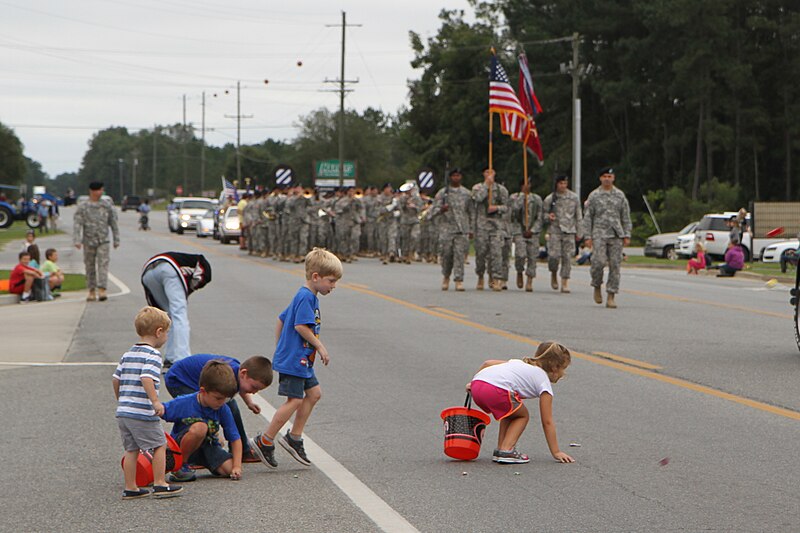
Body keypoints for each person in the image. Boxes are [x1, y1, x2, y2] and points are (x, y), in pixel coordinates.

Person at [249, 248, 343, 468]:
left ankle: (294, 437)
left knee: (314, 393)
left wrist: (281, 345)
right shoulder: (305, 297)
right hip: (296, 359)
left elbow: (281, 319)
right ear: (316, 277)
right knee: (295, 400)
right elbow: (300, 326)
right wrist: (319, 346)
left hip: (300, 358)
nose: (333, 286)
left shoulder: (308, 296)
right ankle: (265, 440)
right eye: (331, 281)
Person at [113, 306, 183, 499]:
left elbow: (116, 379)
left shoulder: (128, 354)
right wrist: (155, 402)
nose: (167, 336)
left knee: (131, 449)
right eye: (167, 332)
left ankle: (131, 487)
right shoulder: (153, 355)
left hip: (124, 411)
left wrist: (122, 399)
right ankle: (160, 483)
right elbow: (146, 377)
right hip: (142, 412)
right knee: (159, 444)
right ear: (158, 332)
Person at [164, 353, 273, 477]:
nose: (254, 392)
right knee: (199, 413)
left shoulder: (236, 375)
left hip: (197, 381)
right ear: (243, 373)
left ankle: (212, 450)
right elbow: (162, 411)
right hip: (179, 379)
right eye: (254, 387)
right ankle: (185, 458)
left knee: (226, 407)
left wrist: (249, 402)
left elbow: (240, 387)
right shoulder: (227, 376)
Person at [467, 341, 574, 464]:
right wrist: (556, 452)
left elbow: (488, 363)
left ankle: (501, 449)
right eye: (563, 369)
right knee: (522, 416)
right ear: (555, 368)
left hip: (477, 386)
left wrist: (473, 383)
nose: (563, 374)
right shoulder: (543, 382)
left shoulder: (520, 364)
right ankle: (506, 450)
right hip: (497, 390)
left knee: (511, 413)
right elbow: (547, 421)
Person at [161, 360, 244, 482]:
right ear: (203, 391)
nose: (222, 402)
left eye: (225, 399)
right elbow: (160, 411)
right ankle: (180, 466)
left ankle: (197, 462)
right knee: (200, 428)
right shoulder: (184, 402)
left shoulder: (222, 408)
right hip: (182, 446)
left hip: (209, 447)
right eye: (218, 398)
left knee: (229, 469)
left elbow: (235, 439)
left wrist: (237, 466)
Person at [141, 252, 212, 367]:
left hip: (147, 271)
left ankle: (170, 356)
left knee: (167, 316)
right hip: (169, 266)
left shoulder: (186, 266)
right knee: (179, 314)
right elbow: (202, 268)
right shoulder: (198, 265)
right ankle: (182, 359)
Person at [581, 168, 632, 309]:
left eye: (609, 176)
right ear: (600, 178)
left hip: (616, 234)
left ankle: (611, 295)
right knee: (598, 262)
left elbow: (625, 216)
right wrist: (587, 236)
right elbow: (588, 217)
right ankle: (597, 284)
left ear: (614, 178)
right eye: (604, 176)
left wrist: (627, 234)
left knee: (615, 265)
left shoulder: (620, 195)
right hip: (599, 233)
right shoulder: (594, 195)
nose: (607, 179)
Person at [73, 181, 119, 302]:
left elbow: (113, 222)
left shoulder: (106, 205)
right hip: (88, 240)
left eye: (102, 190)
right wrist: (77, 240)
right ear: (92, 191)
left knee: (103, 264)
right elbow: (77, 224)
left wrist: (116, 239)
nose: (101, 192)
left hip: (103, 240)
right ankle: (91, 290)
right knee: (89, 266)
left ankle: (102, 289)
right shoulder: (83, 206)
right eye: (99, 190)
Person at [430, 168, 473, 291]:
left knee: (459, 255)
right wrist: (441, 210)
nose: (456, 178)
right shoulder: (442, 193)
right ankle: (446, 276)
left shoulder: (467, 194)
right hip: (447, 229)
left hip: (461, 229)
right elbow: (432, 211)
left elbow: (471, 212)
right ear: (450, 177)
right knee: (446, 254)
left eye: (458, 175)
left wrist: (471, 229)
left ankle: (459, 280)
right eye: (454, 175)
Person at [472, 168, 510, 291]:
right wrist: (486, 186)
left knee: (496, 253)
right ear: (483, 174)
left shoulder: (501, 190)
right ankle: (481, 276)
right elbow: (477, 199)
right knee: (481, 253)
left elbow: (507, 207)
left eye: (492, 172)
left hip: (496, 226)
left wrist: (497, 208)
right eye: (487, 172)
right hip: (482, 225)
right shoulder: (477, 187)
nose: (490, 174)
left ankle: (496, 278)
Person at [543, 175, 582, 293]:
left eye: (565, 183)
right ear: (556, 184)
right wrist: (548, 217)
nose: (563, 186)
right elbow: (543, 214)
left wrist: (580, 232)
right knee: (553, 256)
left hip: (569, 230)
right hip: (555, 230)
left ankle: (565, 281)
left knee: (567, 257)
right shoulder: (551, 198)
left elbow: (578, 215)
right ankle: (553, 272)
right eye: (561, 183)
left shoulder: (574, 197)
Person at [510, 180, 543, 292]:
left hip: (533, 232)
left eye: (529, 184)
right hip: (519, 229)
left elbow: (540, 217)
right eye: (525, 184)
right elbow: (513, 210)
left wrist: (533, 230)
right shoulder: (514, 197)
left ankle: (529, 280)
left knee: (532, 257)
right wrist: (522, 198)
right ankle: (519, 271)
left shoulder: (536, 199)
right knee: (520, 254)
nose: (527, 186)